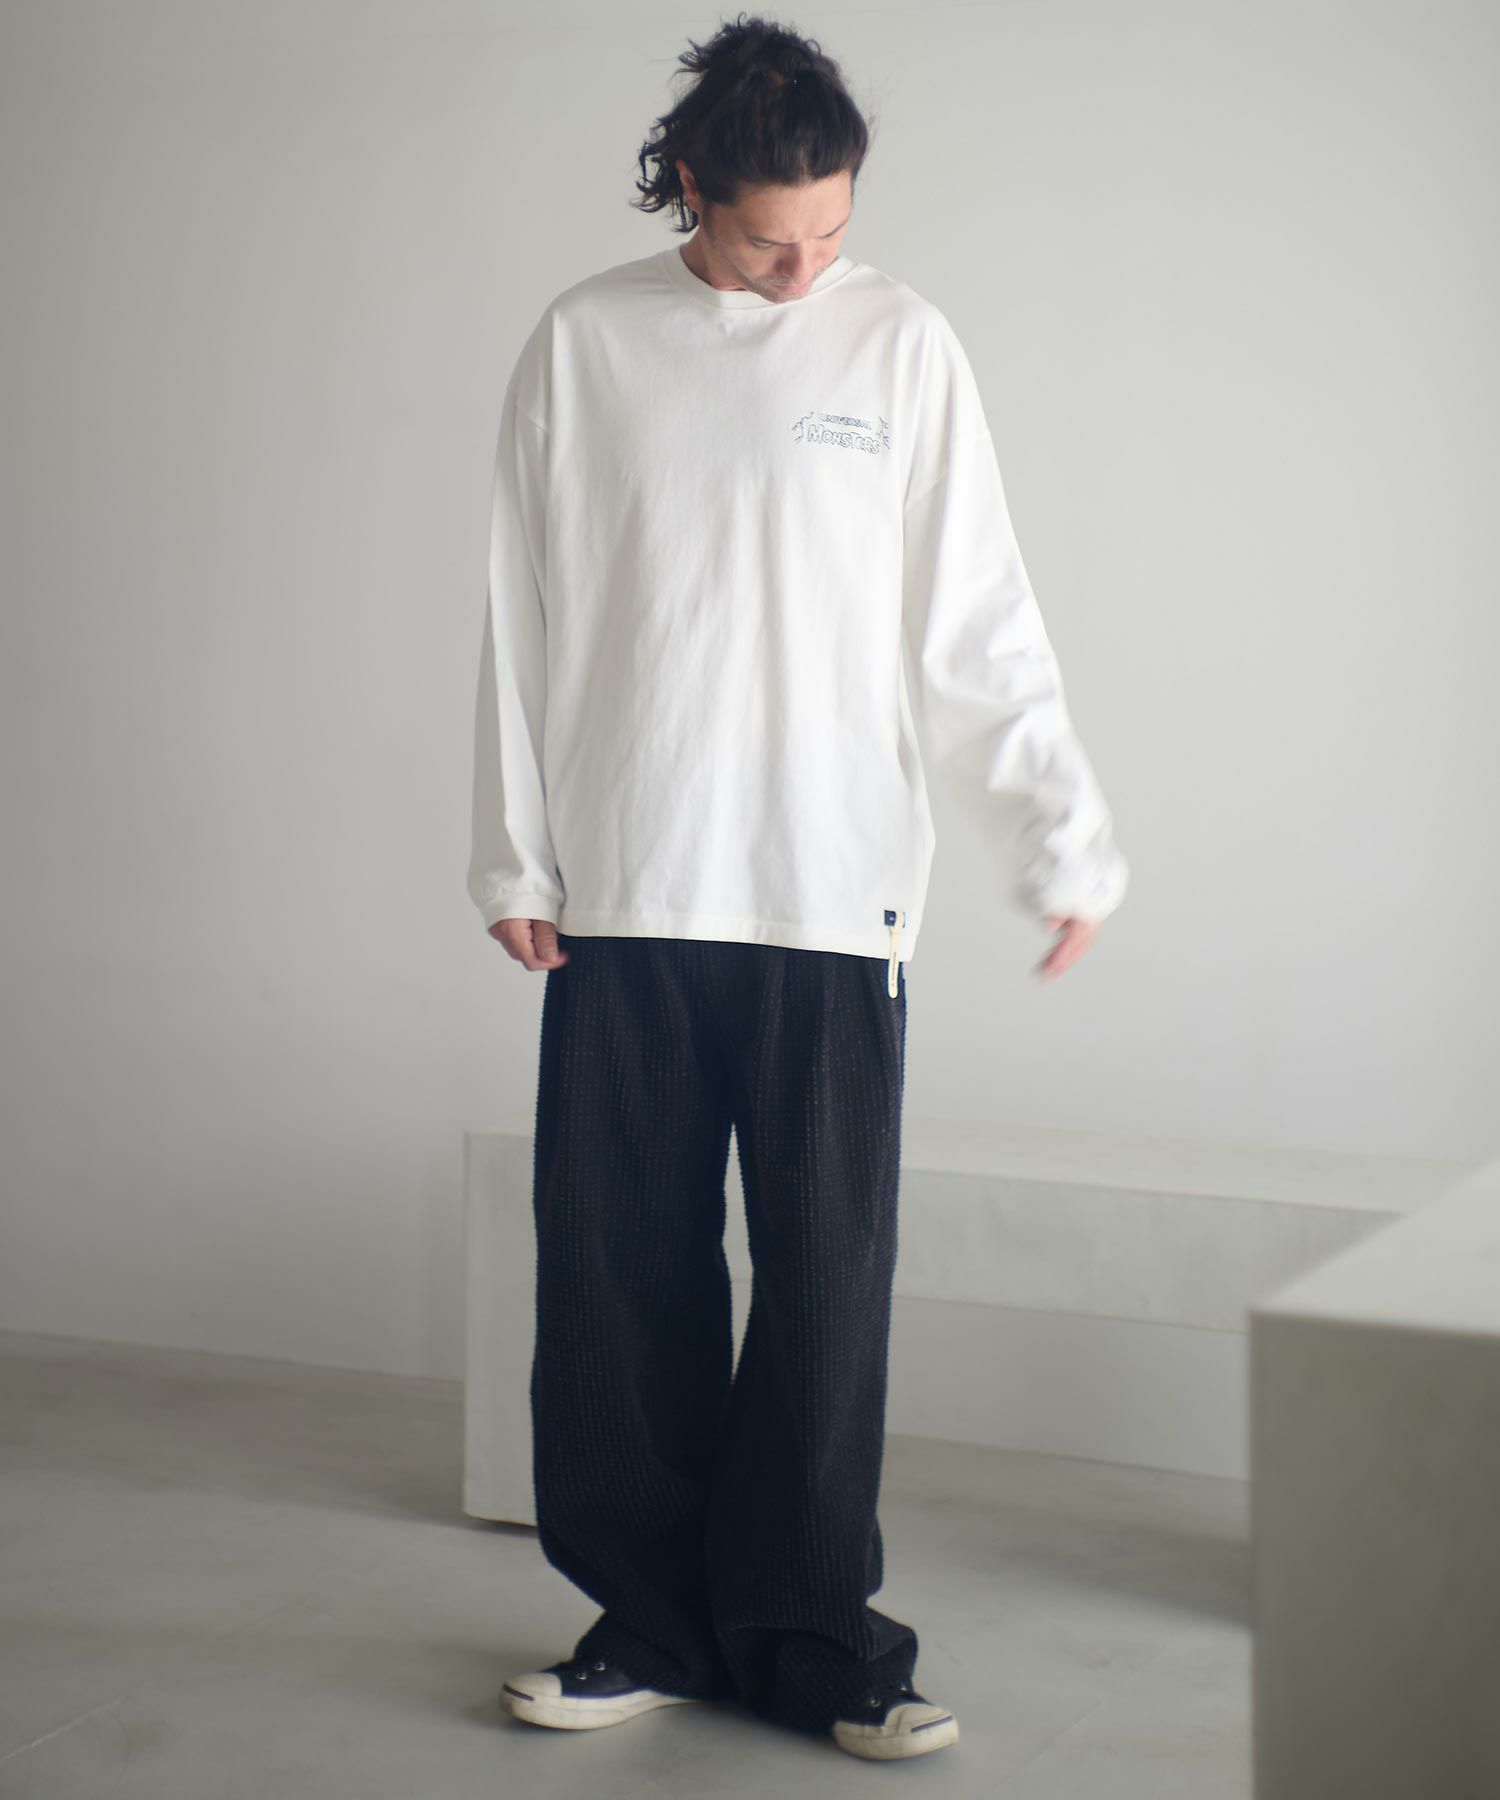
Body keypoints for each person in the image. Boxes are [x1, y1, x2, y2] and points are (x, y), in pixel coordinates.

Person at [467, 14, 1128, 1764]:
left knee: (827, 1289)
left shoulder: (901, 345)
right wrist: (513, 851)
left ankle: (818, 1636)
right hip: (627, 883)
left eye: (833, 232)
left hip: (836, 896)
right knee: (617, 1277)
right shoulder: (586, 342)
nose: (806, 269)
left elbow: (977, 623)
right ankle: (648, 1620)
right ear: (691, 184)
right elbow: (520, 614)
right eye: (774, 239)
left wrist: (1059, 837)